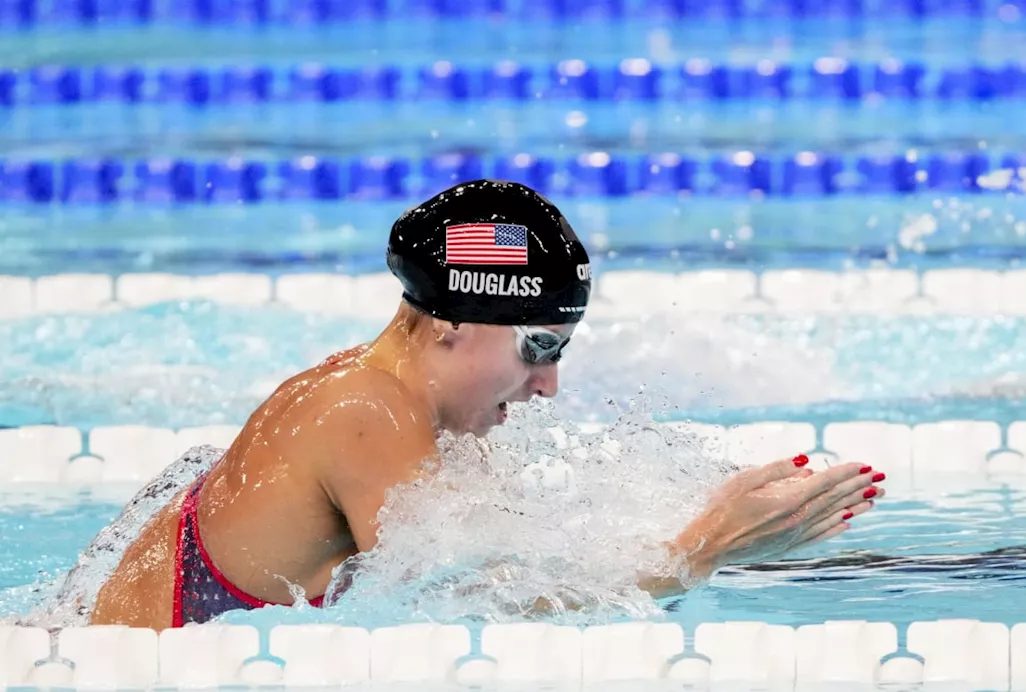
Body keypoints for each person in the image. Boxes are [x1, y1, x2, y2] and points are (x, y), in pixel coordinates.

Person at [88, 180, 886, 630]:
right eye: (538, 348)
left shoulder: (385, 399)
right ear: (450, 324)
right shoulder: (362, 410)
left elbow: (499, 565)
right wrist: (702, 547)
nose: (549, 386)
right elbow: (467, 609)